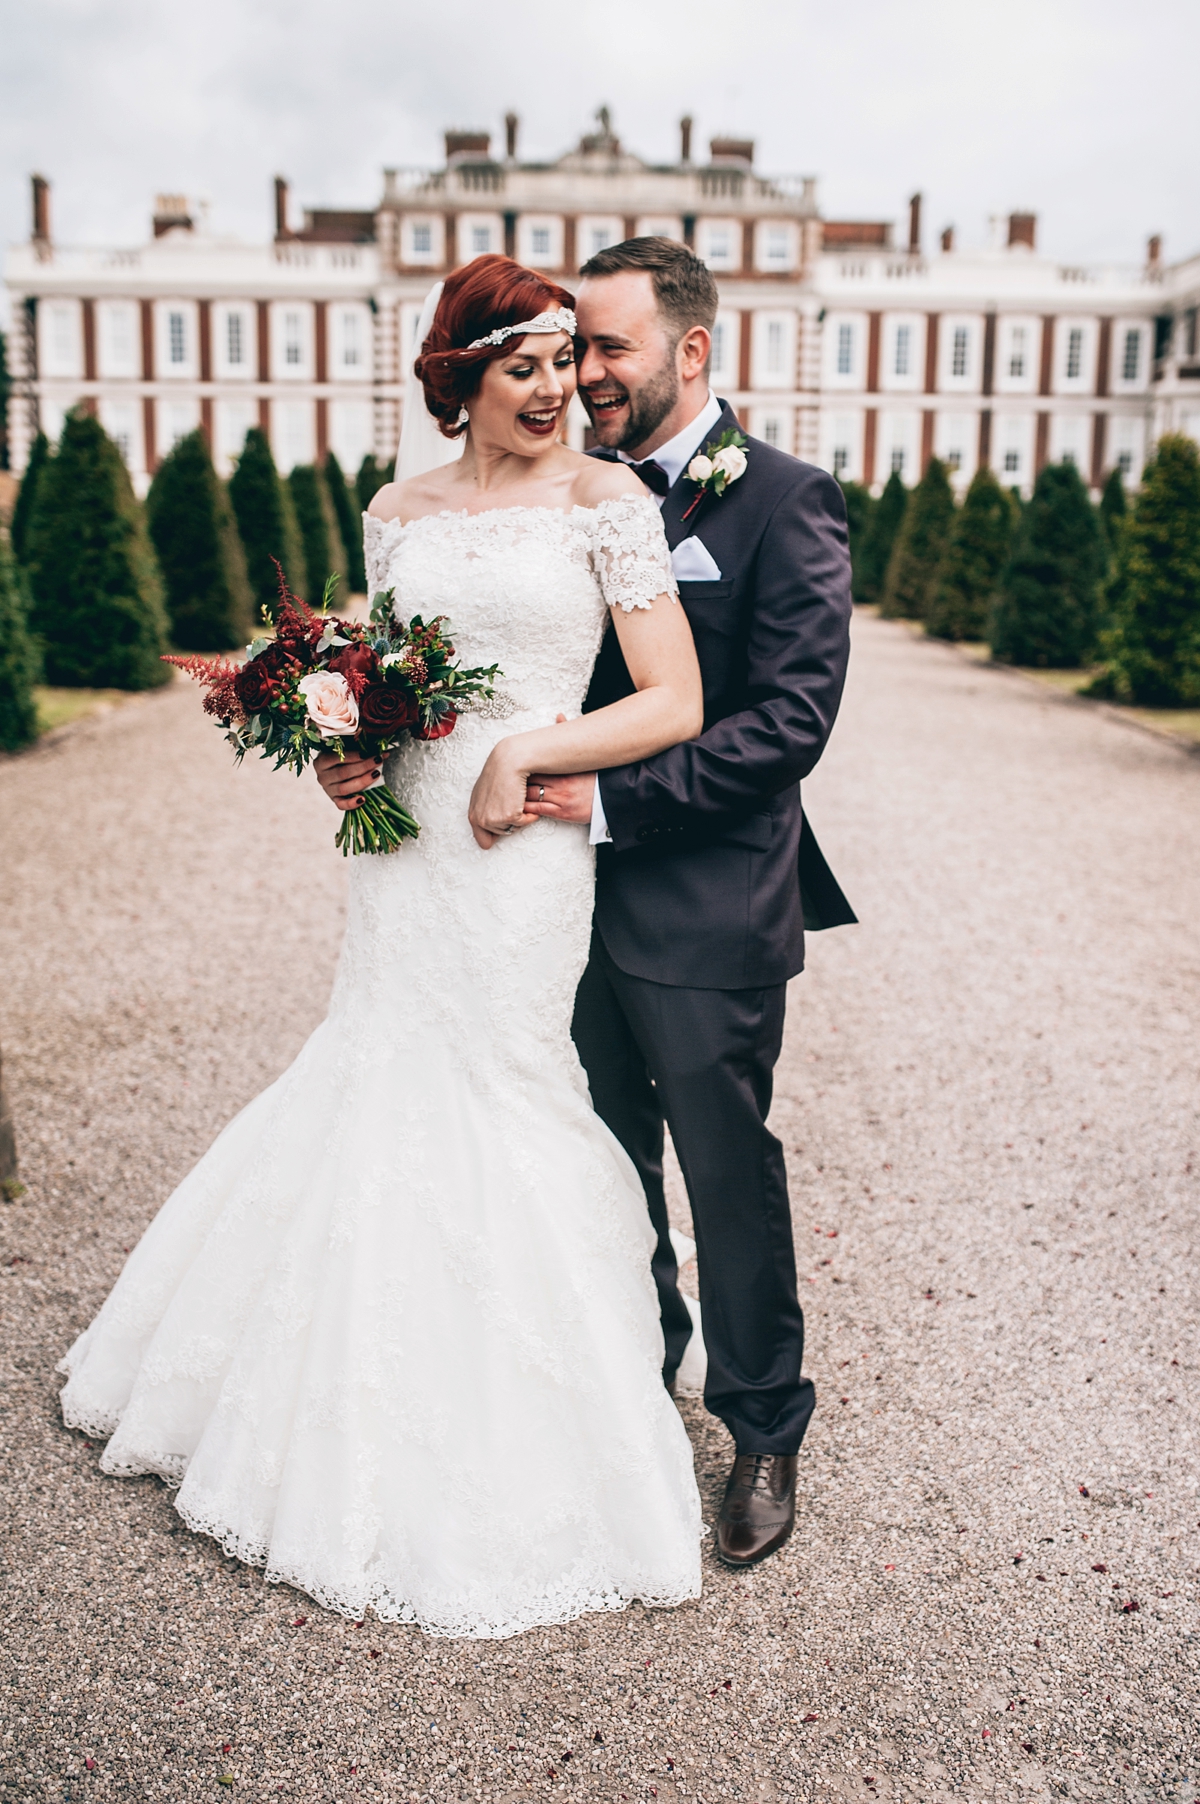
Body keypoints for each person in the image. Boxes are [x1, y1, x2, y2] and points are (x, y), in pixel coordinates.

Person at [58, 255, 705, 1640]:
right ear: (456, 375)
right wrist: (340, 758)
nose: (554, 390)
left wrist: (532, 747)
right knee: (376, 1071)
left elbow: (673, 701)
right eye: (521, 364)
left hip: (521, 846)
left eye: (563, 364)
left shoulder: (609, 500)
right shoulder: (395, 512)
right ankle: (325, 1404)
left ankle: (535, 1426)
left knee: (509, 1085)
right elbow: (390, 680)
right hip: (402, 848)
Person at [522, 238, 855, 1568]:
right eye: (576, 349)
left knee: (725, 1173)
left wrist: (612, 804)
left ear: (692, 351)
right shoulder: (560, 492)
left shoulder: (783, 500)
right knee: (603, 1165)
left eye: (608, 349)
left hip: (708, 905)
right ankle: (640, 1381)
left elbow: (788, 722)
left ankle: (764, 1425)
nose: (584, 375)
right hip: (548, 904)